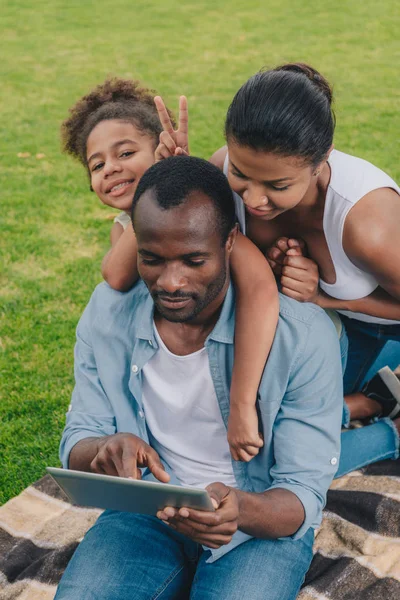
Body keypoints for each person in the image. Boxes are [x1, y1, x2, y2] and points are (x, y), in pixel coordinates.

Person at [55, 156, 343, 600]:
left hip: (257, 525)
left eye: (193, 260)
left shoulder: (302, 338)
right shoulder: (108, 312)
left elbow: (301, 495)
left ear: (229, 242)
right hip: (144, 512)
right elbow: (80, 438)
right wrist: (103, 451)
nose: (171, 281)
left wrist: (239, 509)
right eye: (152, 259)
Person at [155, 63, 400, 476]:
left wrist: (322, 295)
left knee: (282, 457)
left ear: (321, 161)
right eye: (241, 173)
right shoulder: (220, 169)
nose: (254, 198)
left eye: (277, 186)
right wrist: (183, 181)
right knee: (244, 436)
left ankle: (390, 429)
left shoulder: (368, 223)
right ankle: (367, 401)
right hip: (312, 330)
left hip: (379, 327)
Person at [61, 78, 280, 463]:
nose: (111, 168)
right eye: (97, 165)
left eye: (125, 153)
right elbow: (117, 276)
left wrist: (174, 171)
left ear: (158, 148)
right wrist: (164, 175)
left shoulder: (206, 212)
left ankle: (367, 407)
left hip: (276, 342)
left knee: (289, 433)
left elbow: (260, 284)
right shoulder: (125, 229)